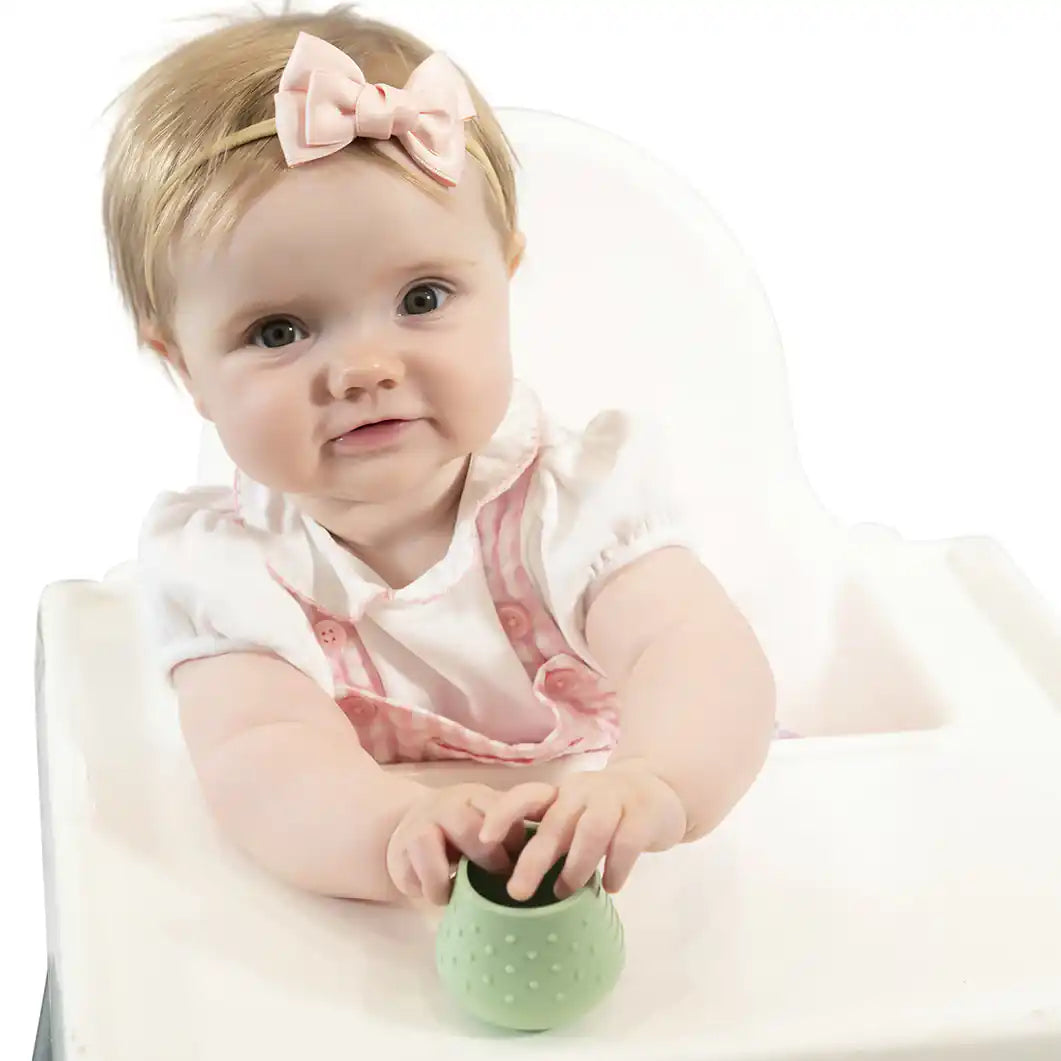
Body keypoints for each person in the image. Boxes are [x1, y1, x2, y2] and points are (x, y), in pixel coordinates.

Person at [105, 4, 776, 908]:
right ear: (184, 367)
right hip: (394, 920)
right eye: (278, 330)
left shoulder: (573, 499)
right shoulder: (227, 571)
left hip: (621, 865)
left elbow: (697, 652)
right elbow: (258, 759)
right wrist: (387, 830)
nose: (364, 369)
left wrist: (655, 782)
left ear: (505, 277)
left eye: (421, 298)